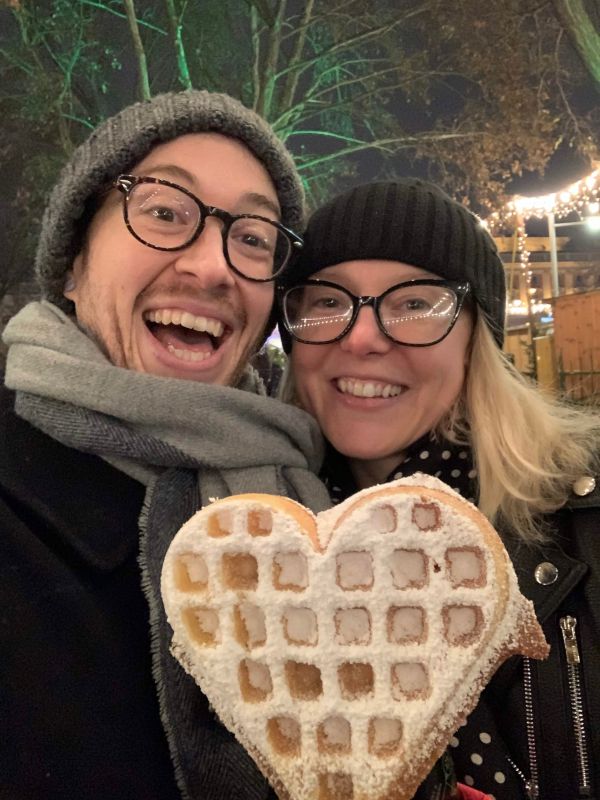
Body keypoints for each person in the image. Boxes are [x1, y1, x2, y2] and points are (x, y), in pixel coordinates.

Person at [0, 90, 331, 800]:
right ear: (70, 263)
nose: (213, 266)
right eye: (164, 212)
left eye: (252, 238)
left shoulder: (311, 502)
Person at [277, 179, 600, 800]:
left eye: (415, 303)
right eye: (326, 300)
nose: (362, 336)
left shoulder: (587, 521)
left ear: (478, 335)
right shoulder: (265, 558)